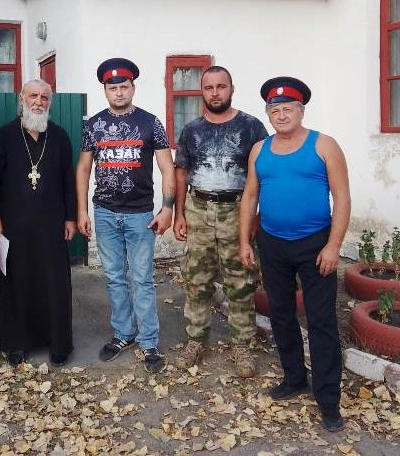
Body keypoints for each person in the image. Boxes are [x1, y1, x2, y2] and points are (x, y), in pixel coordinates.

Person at [239, 76, 350, 432]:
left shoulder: (324, 145)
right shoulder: (260, 149)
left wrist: (333, 246)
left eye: (288, 108)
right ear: (268, 114)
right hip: (272, 243)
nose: (282, 114)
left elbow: (343, 199)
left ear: (301, 111)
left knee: (321, 321)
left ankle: (328, 398)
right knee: (282, 314)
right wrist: (245, 241)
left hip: (316, 245)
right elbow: (250, 197)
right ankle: (294, 378)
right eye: (275, 109)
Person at [76, 58, 175, 374]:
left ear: (133, 87)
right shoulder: (93, 125)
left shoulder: (150, 123)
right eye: (112, 87)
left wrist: (168, 206)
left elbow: (167, 167)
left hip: (140, 215)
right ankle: (123, 334)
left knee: (142, 279)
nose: (118, 92)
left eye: (124, 86)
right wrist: (81, 210)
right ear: (105, 90)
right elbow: (83, 168)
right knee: (115, 277)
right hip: (104, 212)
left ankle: (149, 343)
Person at [173, 66, 268, 377]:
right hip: (198, 208)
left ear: (232, 89)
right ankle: (196, 341)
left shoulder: (252, 128)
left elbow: (262, 176)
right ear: (202, 91)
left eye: (221, 86)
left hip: (236, 210)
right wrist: (179, 214)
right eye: (209, 87)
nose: (215, 92)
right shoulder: (190, 130)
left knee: (240, 282)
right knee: (196, 280)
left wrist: (256, 217)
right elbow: (181, 173)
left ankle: (242, 347)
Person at [0, 79, 76, 367]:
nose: (38, 102)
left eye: (44, 97)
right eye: (33, 96)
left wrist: (71, 217)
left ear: (50, 102)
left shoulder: (59, 137)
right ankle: (17, 343)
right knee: (17, 282)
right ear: (22, 99)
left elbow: (68, 181)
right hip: (14, 224)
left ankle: (57, 342)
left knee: (54, 283)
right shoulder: (3, 137)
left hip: (51, 224)